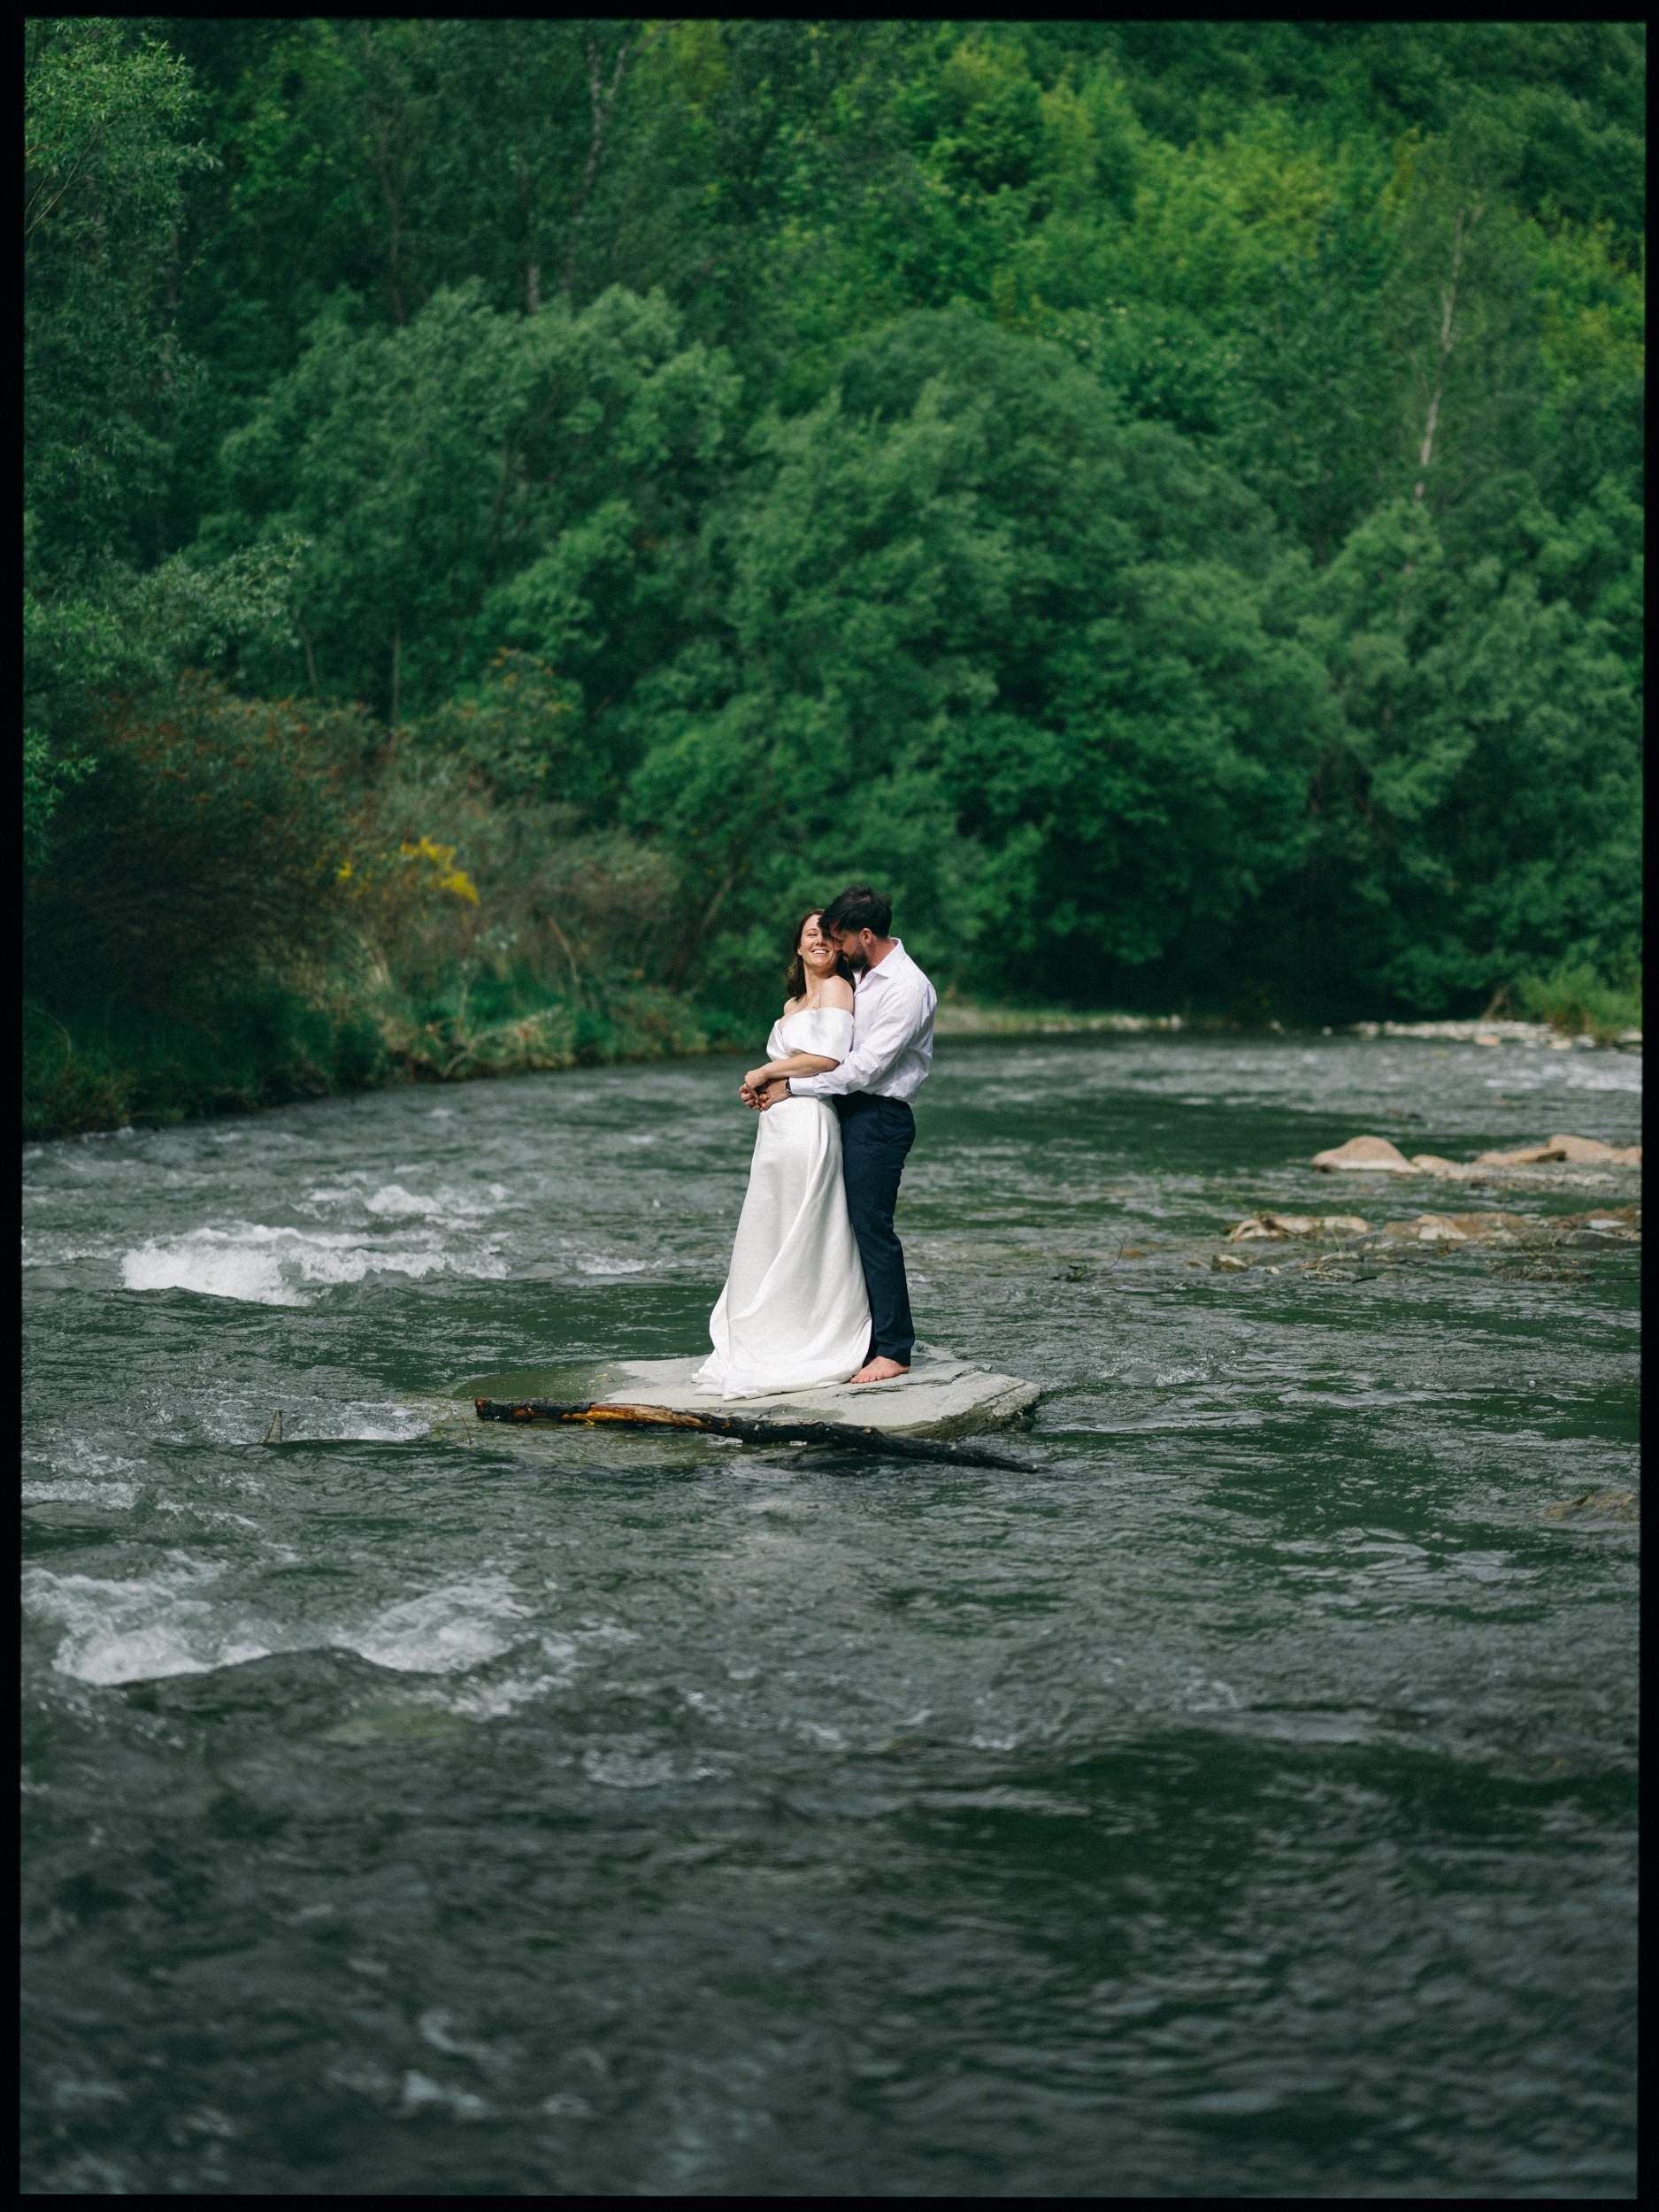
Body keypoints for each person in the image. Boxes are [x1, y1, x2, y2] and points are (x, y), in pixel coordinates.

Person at [741, 886, 935, 1386]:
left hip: (878, 1116)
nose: (833, 945)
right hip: (838, 1109)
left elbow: (865, 1069)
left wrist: (791, 1085)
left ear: (864, 935)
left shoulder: (907, 989)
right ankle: (852, 1337)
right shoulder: (859, 973)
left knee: (872, 1229)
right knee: (837, 1229)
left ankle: (894, 1349)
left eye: (839, 937)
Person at [695, 910, 872, 1400]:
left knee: (806, 1224)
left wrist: (765, 1072)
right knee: (770, 1223)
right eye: (811, 934)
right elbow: (792, 1067)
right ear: (797, 946)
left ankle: (806, 1333)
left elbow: (830, 1058)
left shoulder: (839, 988)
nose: (820, 941)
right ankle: (766, 1325)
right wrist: (763, 1088)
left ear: (839, 948)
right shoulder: (791, 1002)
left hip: (811, 1123)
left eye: (828, 936)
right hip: (774, 1130)